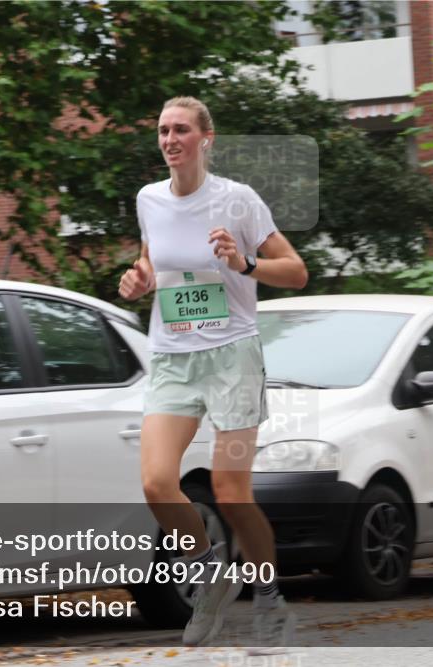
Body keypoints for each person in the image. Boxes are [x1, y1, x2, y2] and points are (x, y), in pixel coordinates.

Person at [118, 96, 308, 650]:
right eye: (162, 131)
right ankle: (210, 575)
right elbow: (154, 258)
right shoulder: (149, 199)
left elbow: (296, 272)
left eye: (180, 130)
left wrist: (244, 263)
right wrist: (141, 280)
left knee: (231, 493)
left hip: (233, 358)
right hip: (174, 356)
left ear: (206, 138)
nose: (170, 139)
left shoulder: (238, 201)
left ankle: (270, 599)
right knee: (156, 482)